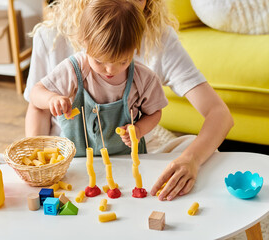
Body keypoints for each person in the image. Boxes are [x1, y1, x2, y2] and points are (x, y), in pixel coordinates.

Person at [24, 0, 234, 201]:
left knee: (205, 155)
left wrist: (191, 160)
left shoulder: (157, 41)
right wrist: (40, 167)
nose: (125, 5)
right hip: (71, 161)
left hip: (127, 158)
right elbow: (37, 104)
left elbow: (219, 114)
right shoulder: (52, 36)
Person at [30, 0, 168, 157]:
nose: (110, 70)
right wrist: (51, 99)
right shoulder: (74, 69)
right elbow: (36, 93)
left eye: (122, 61)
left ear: (135, 48)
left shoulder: (143, 78)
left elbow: (155, 112)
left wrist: (139, 129)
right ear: (84, 42)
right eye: (99, 61)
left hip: (125, 161)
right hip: (75, 161)